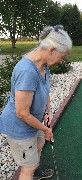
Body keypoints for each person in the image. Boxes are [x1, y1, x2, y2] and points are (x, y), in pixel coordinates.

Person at [0, 25, 72, 180]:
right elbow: (22, 113)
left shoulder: (44, 65)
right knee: (28, 167)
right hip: (20, 126)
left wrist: (47, 112)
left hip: (34, 121)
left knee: (39, 146)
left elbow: (45, 92)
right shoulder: (27, 71)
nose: (61, 61)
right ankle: (31, 171)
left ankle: (36, 171)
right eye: (61, 56)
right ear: (52, 50)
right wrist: (46, 130)